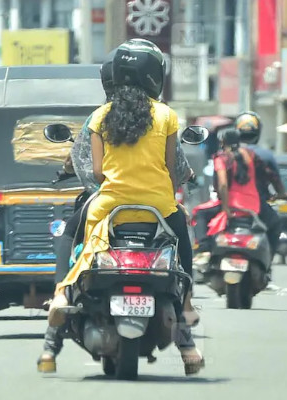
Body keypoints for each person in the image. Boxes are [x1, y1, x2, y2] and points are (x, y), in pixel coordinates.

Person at [47, 38, 204, 376]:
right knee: (183, 242)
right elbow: (172, 168)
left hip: (108, 206)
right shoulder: (166, 115)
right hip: (159, 207)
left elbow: (97, 172)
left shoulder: (100, 117)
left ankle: (61, 295)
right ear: (154, 76)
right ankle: (188, 306)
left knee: (69, 235)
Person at [235, 112, 287, 264]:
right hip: (258, 206)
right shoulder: (265, 155)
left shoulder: (227, 154)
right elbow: (276, 181)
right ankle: (267, 263)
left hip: (231, 205)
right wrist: (281, 194)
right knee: (275, 224)